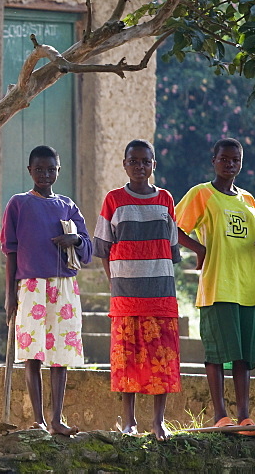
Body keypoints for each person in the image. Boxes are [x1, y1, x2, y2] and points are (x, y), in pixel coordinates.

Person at [175, 138, 255, 435]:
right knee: (217, 352)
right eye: (224, 158)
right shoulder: (202, 194)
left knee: (243, 355)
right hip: (218, 283)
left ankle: (244, 417)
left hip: (250, 285)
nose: (230, 164)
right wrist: (199, 249)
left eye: (236, 160)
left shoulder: (248, 199)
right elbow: (173, 226)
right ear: (213, 160)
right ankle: (220, 415)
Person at [93, 139, 182, 440]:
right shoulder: (113, 200)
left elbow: (172, 248)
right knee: (126, 359)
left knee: (163, 358)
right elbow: (103, 249)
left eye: (146, 161)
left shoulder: (166, 199)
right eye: (134, 161)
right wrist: (115, 283)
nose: (140, 166)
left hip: (160, 294)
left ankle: (158, 421)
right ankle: (128, 421)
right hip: (126, 296)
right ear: (124, 164)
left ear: (154, 165)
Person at [2, 145, 92, 435]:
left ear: (58, 170)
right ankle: (39, 419)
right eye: (39, 169)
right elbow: (10, 252)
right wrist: (8, 294)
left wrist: (74, 239)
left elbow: (88, 249)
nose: (45, 174)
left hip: (63, 287)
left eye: (50, 169)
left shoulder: (68, 206)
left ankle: (56, 419)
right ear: (29, 171)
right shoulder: (18, 204)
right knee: (32, 353)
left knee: (60, 354)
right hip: (30, 286)